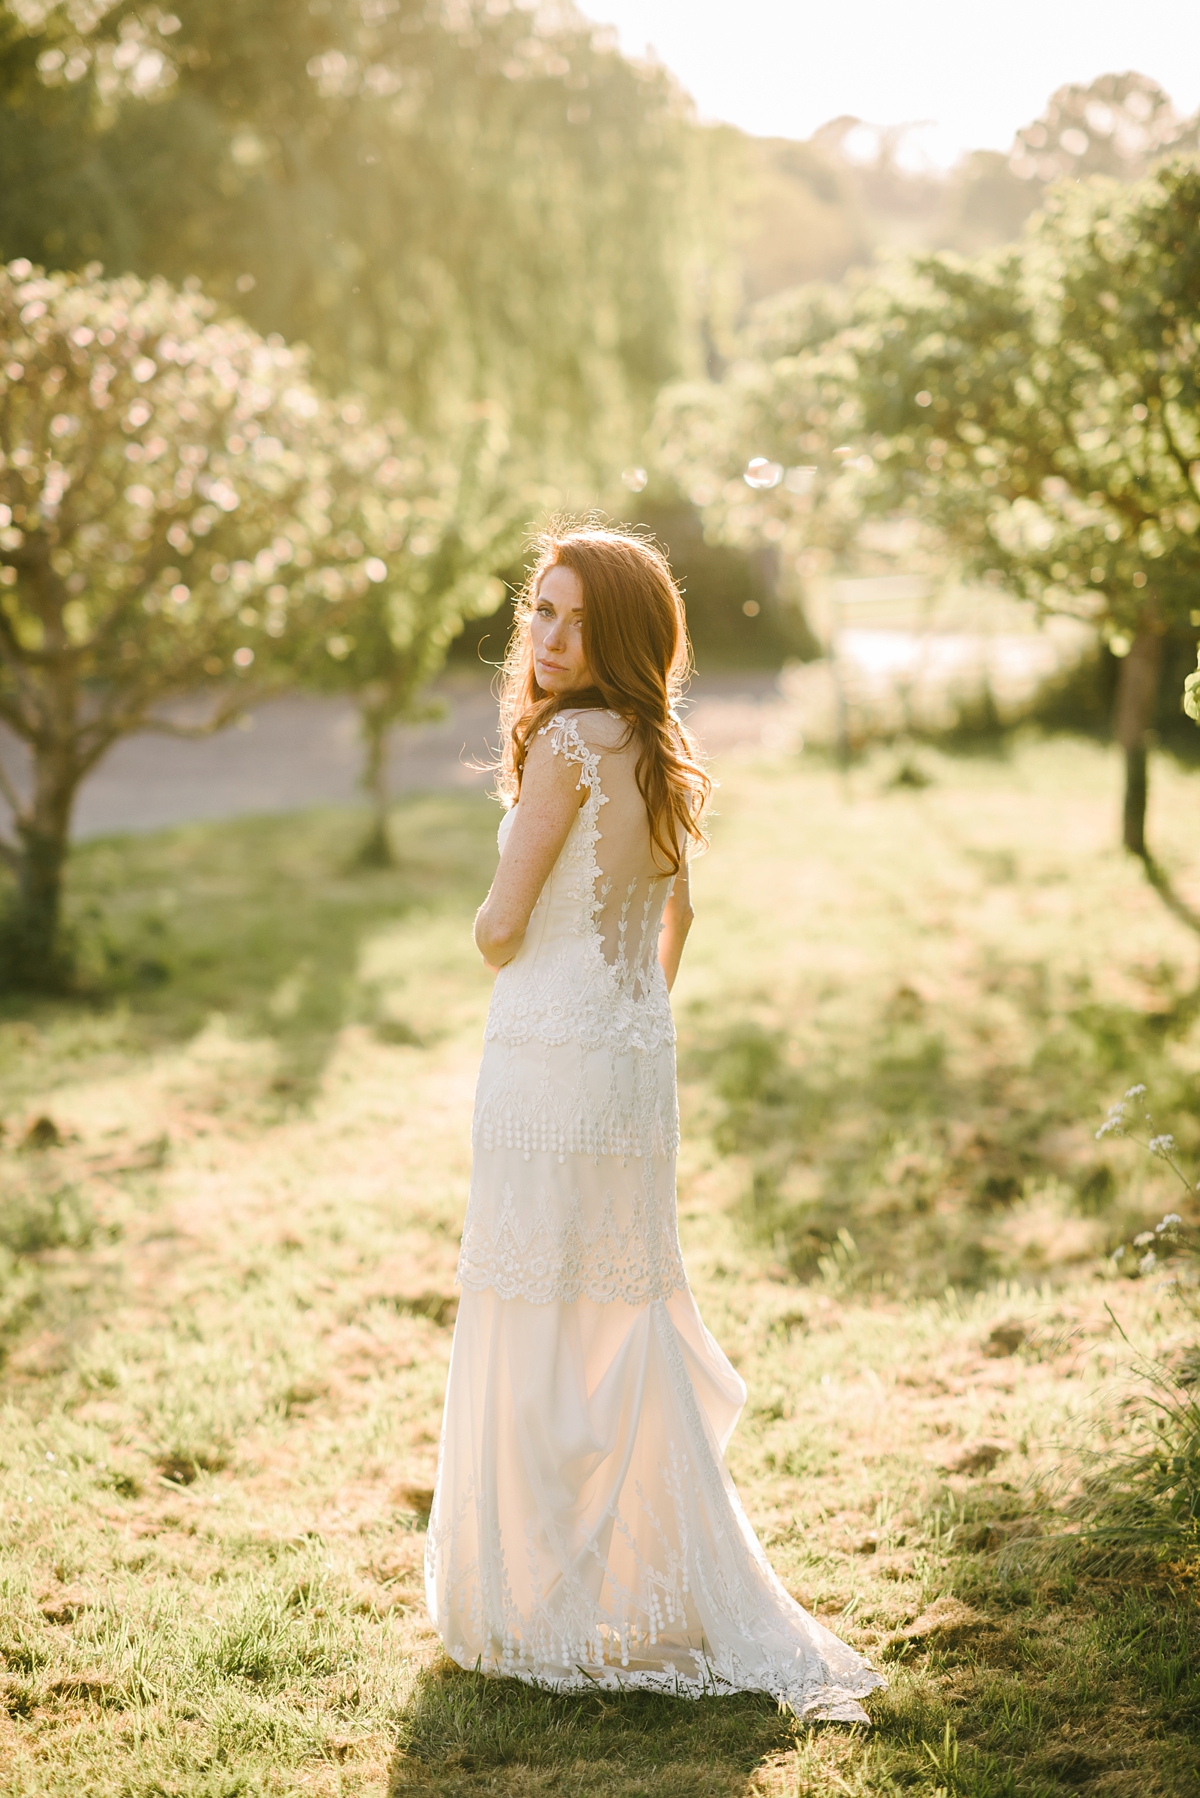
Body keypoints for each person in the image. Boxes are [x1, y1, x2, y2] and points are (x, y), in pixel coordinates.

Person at [425, 524, 883, 1722]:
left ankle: (536, 1595)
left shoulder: (568, 742)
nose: (549, 637)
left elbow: (502, 922)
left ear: (621, 633)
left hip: (547, 1058)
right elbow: (679, 920)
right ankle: (629, 1571)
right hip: (630, 1059)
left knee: (537, 1303)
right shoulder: (657, 746)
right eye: (541, 612)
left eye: (574, 618)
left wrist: (489, 928)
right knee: (614, 1305)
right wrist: (628, 1010)